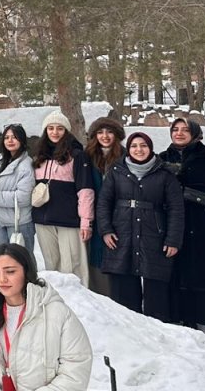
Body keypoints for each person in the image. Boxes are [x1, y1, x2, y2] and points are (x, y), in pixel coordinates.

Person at [0, 244, 92, 391]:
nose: (2, 279)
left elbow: (76, 368)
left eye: (10, 271)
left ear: (26, 271)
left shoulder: (56, 312)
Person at [95, 132, 183, 322]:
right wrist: (106, 230)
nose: (139, 150)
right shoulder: (116, 171)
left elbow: (176, 209)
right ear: (129, 149)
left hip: (155, 234)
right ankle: (128, 329)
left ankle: (158, 329)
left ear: (150, 148)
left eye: (143, 145)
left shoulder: (165, 174)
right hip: (122, 233)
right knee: (123, 288)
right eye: (134, 146)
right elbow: (103, 203)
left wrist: (173, 239)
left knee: (156, 289)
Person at [160, 117, 205, 331]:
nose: (179, 133)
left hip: (204, 225)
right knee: (176, 272)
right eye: (175, 129)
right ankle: (180, 318)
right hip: (172, 226)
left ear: (195, 133)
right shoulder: (161, 159)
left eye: (185, 129)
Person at [32, 111, 94, 286]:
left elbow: (85, 191)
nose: (55, 132)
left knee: (73, 267)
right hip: (43, 219)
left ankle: (79, 300)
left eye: (59, 128)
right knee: (51, 267)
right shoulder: (39, 156)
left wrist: (86, 221)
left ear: (66, 131)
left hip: (68, 219)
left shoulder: (77, 155)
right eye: (50, 128)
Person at [84, 116, 124, 297]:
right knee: (96, 253)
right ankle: (98, 294)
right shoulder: (88, 156)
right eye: (100, 132)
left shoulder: (125, 156)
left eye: (109, 132)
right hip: (94, 212)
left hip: (119, 213)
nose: (105, 136)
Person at [0, 124, 36, 251]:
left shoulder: (26, 166)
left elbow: (23, 197)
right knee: (2, 257)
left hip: (18, 222)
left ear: (22, 140)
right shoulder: (1, 159)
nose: (10, 141)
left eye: (14, 137)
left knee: (22, 258)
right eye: (6, 137)